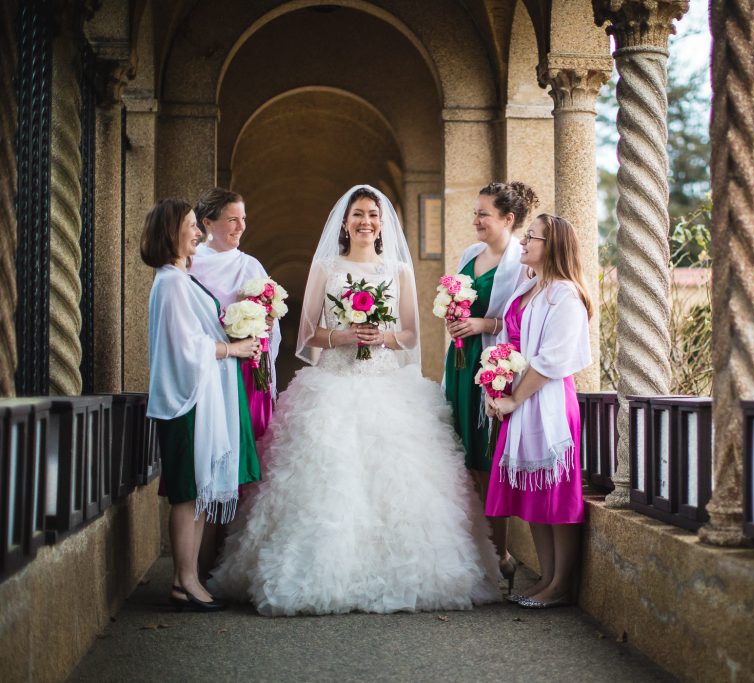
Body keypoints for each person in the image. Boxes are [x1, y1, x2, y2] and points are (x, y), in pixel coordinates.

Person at [209, 185, 500, 616]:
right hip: (333, 382)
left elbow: (410, 336)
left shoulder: (397, 270)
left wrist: (382, 336)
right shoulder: (326, 267)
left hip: (387, 386)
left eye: (374, 215)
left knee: (400, 485)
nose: (366, 222)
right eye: (359, 214)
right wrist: (342, 335)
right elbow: (307, 335)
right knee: (327, 479)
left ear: (383, 224)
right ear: (345, 222)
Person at [141, 198, 261, 612]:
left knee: (194, 493)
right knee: (188, 493)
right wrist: (234, 348)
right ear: (171, 232)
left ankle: (185, 580)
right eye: (192, 226)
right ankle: (185, 581)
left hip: (197, 397)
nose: (199, 233)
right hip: (187, 400)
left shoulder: (179, 278)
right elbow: (185, 346)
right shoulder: (172, 282)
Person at [485, 213, 592, 609]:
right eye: (527, 236)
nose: (525, 243)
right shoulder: (527, 287)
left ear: (554, 247)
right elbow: (505, 344)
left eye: (533, 238)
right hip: (517, 400)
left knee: (556, 494)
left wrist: (515, 397)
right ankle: (546, 578)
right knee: (532, 494)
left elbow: (553, 358)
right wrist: (493, 386)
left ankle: (561, 583)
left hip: (545, 401)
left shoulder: (565, 294)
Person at [444, 181, 538, 591]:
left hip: (493, 369)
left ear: (508, 219)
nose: (476, 220)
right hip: (461, 363)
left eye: (484, 213)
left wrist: (485, 324)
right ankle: (469, 553)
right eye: (476, 212)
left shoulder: (520, 262)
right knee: (462, 459)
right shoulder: (470, 255)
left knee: (489, 459)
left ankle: (499, 556)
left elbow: (519, 321)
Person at [190, 188, 281, 440]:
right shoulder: (190, 265)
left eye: (243, 219)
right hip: (206, 367)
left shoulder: (251, 266)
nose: (241, 226)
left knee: (247, 434)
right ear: (208, 222)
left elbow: (270, 327)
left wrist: (267, 323)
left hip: (247, 372)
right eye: (232, 220)